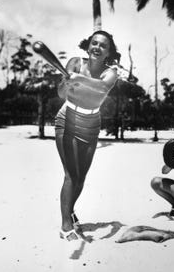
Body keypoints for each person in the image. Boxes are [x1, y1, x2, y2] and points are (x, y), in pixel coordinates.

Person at [55, 30, 120, 241]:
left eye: (103, 45)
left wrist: (79, 79)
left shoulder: (111, 72)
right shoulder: (74, 63)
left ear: (108, 52)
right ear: (88, 45)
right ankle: (66, 226)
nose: (97, 48)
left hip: (91, 124)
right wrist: (66, 82)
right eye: (94, 43)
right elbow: (61, 94)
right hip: (67, 118)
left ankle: (69, 210)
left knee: (81, 177)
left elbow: (102, 86)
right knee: (70, 175)